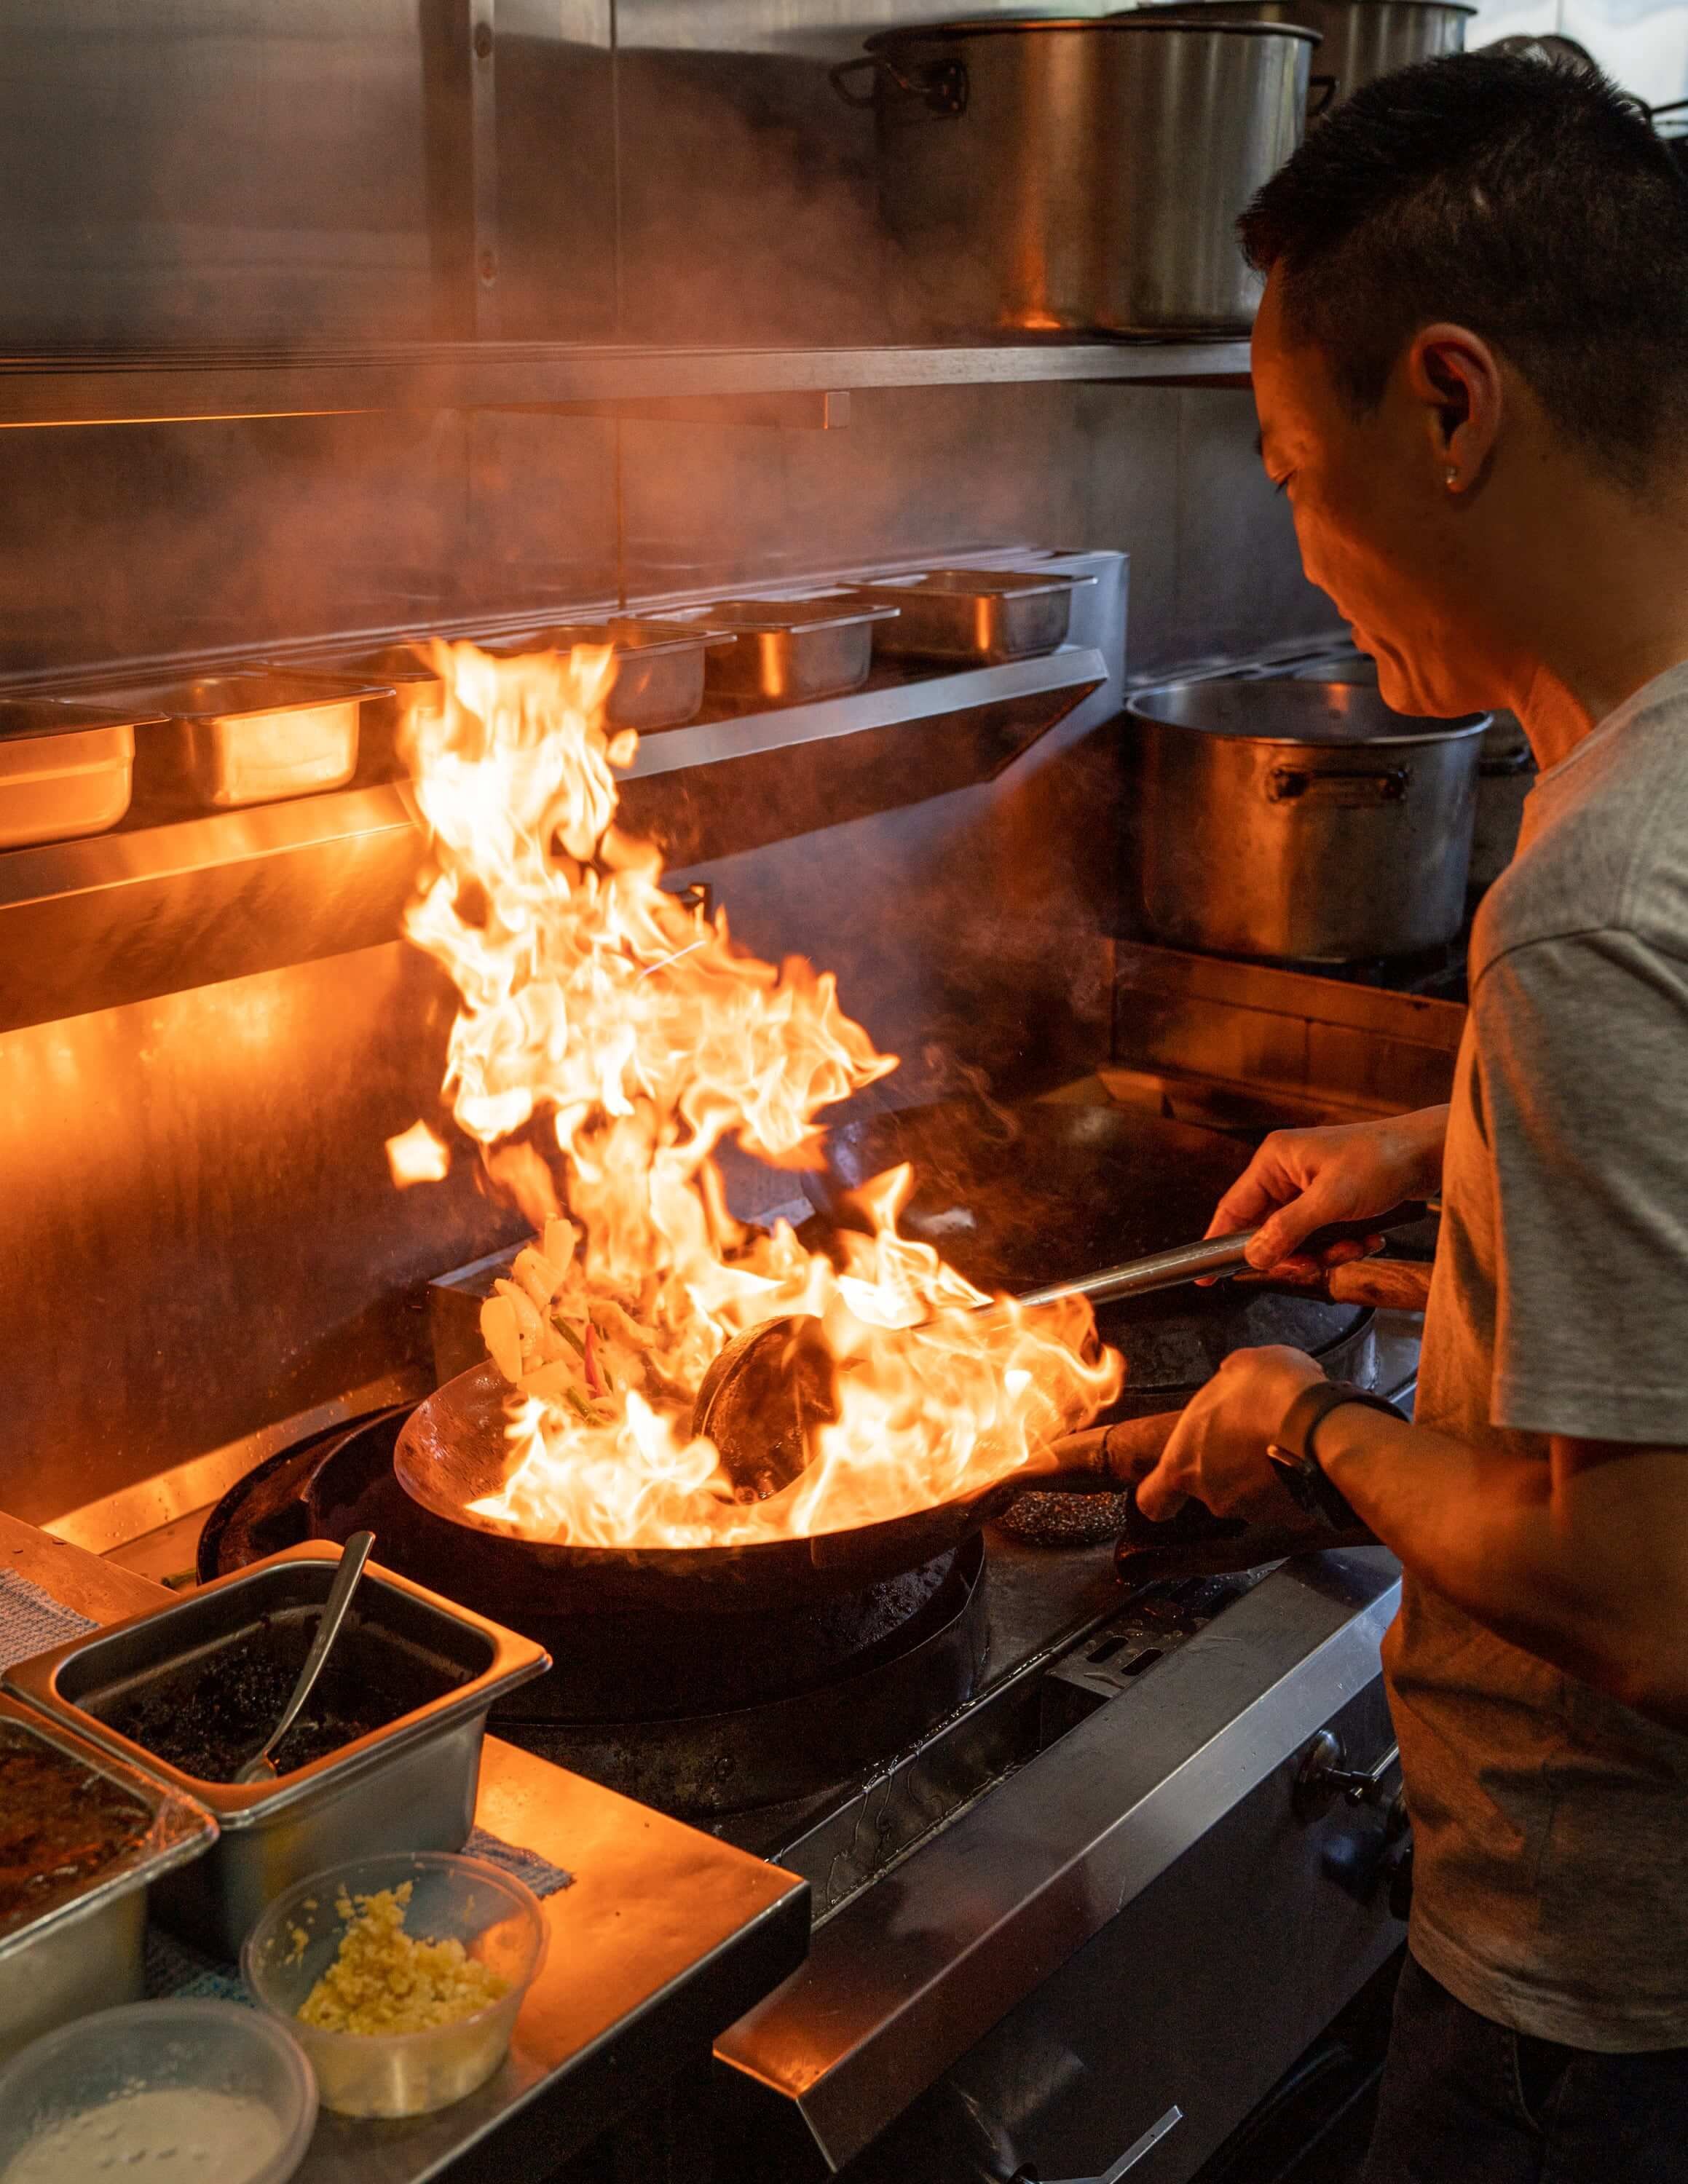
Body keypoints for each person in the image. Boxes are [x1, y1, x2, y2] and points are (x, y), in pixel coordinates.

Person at [1131, 52, 1688, 2184]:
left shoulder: (1600, 892)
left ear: (1449, 405)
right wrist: (1461, 1140)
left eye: (1288, 462)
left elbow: (1650, 1599)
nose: (1295, 528)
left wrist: (1311, 1430)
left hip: (1603, 2013)